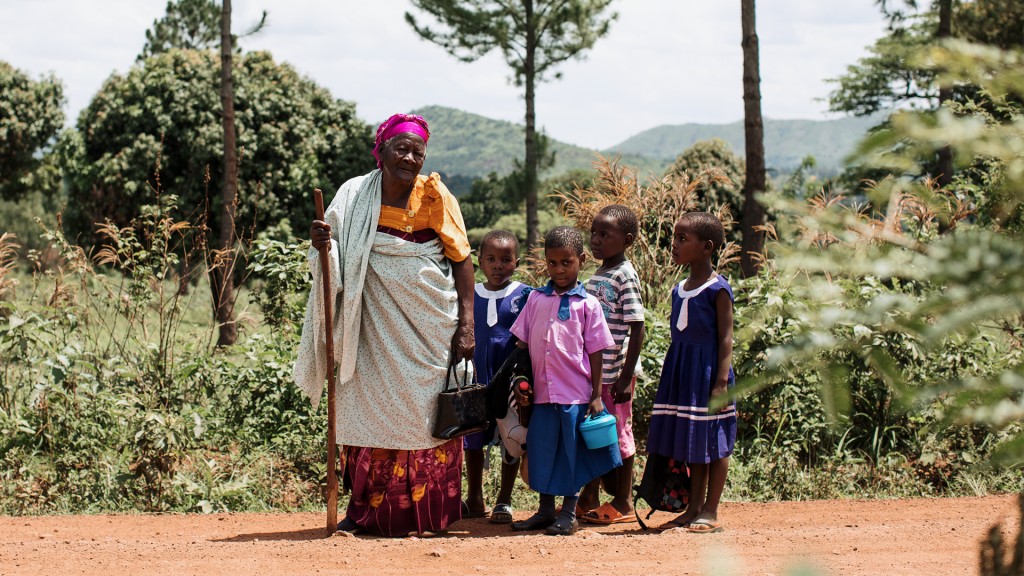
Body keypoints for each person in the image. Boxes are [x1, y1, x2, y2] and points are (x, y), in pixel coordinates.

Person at [295, 113, 476, 538]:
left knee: (426, 417)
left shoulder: (435, 195)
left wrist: (467, 324)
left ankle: (426, 516)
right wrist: (323, 245)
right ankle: (365, 513)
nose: (409, 158)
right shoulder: (355, 194)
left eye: (418, 152)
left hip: (429, 327)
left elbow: (462, 258)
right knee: (366, 413)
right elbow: (333, 251)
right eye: (401, 149)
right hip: (369, 330)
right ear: (382, 151)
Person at [509, 226, 621, 536]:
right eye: (552, 263)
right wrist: (521, 379)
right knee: (543, 452)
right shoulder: (535, 299)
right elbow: (521, 344)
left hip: (575, 396)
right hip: (542, 395)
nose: (559, 270)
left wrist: (596, 395)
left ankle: (569, 513)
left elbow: (596, 352)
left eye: (566, 262)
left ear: (581, 260)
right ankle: (546, 511)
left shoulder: (588, 305)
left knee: (573, 455)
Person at [646, 212, 736, 534]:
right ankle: (693, 508)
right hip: (683, 375)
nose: (674, 244)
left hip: (709, 376)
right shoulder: (678, 289)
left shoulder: (718, 289)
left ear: (706, 247)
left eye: (682, 239)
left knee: (715, 442)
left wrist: (721, 383)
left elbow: (725, 338)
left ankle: (711, 510)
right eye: (674, 238)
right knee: (695, 441)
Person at [578, 205, 646, 525]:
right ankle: (589, 495)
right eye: (594, 233)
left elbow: (637, 326)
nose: (596, 239)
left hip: (616, 374)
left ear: (626, 240)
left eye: (605, 234)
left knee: (619, 433)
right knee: (596, 432)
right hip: (598, 374)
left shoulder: (624, 275)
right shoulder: (599, 274)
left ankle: (624, 501)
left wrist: (625, 376)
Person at [463, 229, 531, 524]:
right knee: (472, 436)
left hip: (509, 380)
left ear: (517, 263)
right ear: (479, 261)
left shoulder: (525, 295)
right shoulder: (469, 293)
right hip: (475, 378)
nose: (498, 266)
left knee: (511, 435)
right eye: (490, 259)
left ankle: (504, 498)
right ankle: (474, 498)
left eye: (505, 259)